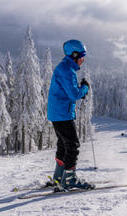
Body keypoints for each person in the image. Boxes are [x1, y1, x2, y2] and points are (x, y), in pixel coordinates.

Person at [47, 39, 94, 190]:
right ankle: (69, 179)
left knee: (63, 145)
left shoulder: (65, 68)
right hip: (63, 114)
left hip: (58, 113)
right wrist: (85, 88)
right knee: (73, 145)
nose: (83, 59)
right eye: (81, 56)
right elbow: (74, 94)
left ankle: (58, 177)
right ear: (74, 55)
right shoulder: (67, 70)